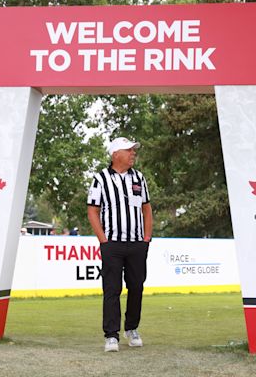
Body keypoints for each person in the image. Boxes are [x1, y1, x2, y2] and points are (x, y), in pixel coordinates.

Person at [87, 137, 153, 352]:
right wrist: (103, 241)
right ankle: (111, 335)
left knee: (136, 287)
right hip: (112, 245)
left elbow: (146, 209)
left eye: (134, 150)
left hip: (136, 244)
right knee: (112, 289)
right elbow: (92, 211)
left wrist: (146, 239)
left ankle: (131, 329)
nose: (133, 153)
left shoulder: (140, 178)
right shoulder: (100, 179)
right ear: (116, 154)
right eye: (129, 150)